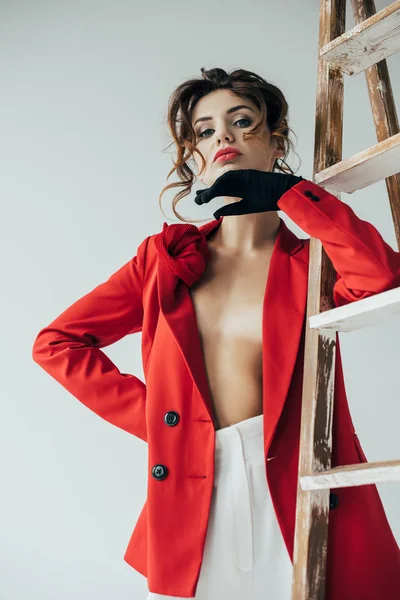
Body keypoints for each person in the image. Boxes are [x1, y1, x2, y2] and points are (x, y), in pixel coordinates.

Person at [32, 67, 400, 600]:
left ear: (277, 143)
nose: (223, 136)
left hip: (301, 489)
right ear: (194, 155)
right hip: (195, 490)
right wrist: (159, 419)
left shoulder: (312, 264)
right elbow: (57, 343)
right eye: (205, 131)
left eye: (242, 121)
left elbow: (382, 277)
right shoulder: (163, 262)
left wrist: (293, 195)